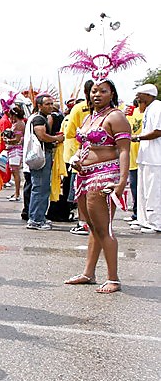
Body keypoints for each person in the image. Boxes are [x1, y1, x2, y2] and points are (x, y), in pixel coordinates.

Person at [62, 78, 131, 293]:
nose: (97, 95)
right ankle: (88, 273)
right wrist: (78, 161)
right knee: (92, 227)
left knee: (104, 228)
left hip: (104, 176)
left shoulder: (116, 117)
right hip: (84, 176)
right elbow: (86, 145)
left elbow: (124, 150)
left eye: (103, 91)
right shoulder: (91, 117)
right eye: (94, 91)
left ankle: (114, 279)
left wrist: (121, 182)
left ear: (112, 94)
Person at [26, 94, 64, 230]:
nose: (50, 106)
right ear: (39, 106)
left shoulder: (41, 118)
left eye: (51, 103)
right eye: (47, 104)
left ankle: (38, 217)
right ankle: (36, 219)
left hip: (43, 155)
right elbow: (42, 136)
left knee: (41, 187)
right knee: (40, 188)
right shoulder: (39, 119)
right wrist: (56, 139)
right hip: (41, 156)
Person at [62, 81, 94, 235]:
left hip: (79, 156)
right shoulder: (113, 112)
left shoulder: (78, 109)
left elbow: (69, 133)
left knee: (81, 191)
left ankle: (84, 222)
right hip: (97, 159)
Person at [133, 83, 161, 233]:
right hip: (145, 157)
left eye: (140, 94)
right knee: (143, 190)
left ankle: (155, 223)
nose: (137, 97)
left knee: (153, 192)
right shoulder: (148, 109)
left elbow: (158, 131)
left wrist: (137, 138)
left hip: (155, 158)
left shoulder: (158, 107)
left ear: (149, 95)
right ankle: (143, 220)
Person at [3, 105, 26, 201]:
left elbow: (17, 139)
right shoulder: (19, 123)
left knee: (16, 172)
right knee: (14, 172)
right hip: (14, 150)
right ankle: (16, 193)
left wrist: (7, 140)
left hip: (16, 150)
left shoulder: (18, 125)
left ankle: (17, 194)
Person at [124, 98, 142, 222]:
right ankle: (138, 214)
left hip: (136, 157)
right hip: (137, 157)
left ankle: (138, 215)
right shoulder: (142, 114)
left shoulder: (131, 116)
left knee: (136, 188)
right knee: (138, 188)